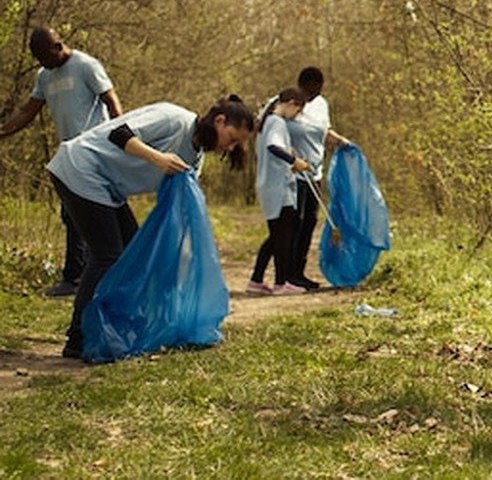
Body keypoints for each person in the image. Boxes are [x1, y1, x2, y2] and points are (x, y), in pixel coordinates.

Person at [49, 95, 256, 359]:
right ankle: (77, 337)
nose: (229, 148)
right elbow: (119, 133)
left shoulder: (195, 159)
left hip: (106, 186)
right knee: (107, 255)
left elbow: (179, 207)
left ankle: (111, 325)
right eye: (232, 138)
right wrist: (158, 158)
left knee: (132, 252)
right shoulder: (173, 118)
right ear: (219, 120)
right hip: (80, 167)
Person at [0, 26, 123, 297]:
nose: (44, 64)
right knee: (72, 213)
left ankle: (92, 274)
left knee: (100, 212)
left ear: (58, 46)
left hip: (95, 150)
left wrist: (121, 142)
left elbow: (112, 102)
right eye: (39, 60)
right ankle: (76, 276)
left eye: (46, 57)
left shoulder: (86, 66)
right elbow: (27, 112)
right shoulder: (44, 76)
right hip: (69, 154)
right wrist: (3, 131)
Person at [286, 67, 349, 290]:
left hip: (315, 173)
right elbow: (270, 128)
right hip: (294, 173)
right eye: (312, 90)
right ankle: (288, 273)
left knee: (309, 221)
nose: (315, 95)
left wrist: (340, 141)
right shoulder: (288, 101)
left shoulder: (322, 105)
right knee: (296, 221)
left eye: (318, 90)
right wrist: (288, 154)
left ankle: (299, 272)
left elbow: (324, 131)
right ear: (302, 86)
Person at [247, 88, 310, 295]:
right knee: (284, 235)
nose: (296, 116)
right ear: (291, 103)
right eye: (298, 111)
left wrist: (289, 156)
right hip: (278, 187)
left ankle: (256, 281)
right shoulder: (276, 122)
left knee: (276, 236)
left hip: (270, 184)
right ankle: (281, 282)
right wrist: (295, 161)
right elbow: (274, 147)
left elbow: (275, 149)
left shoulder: (267, 122)